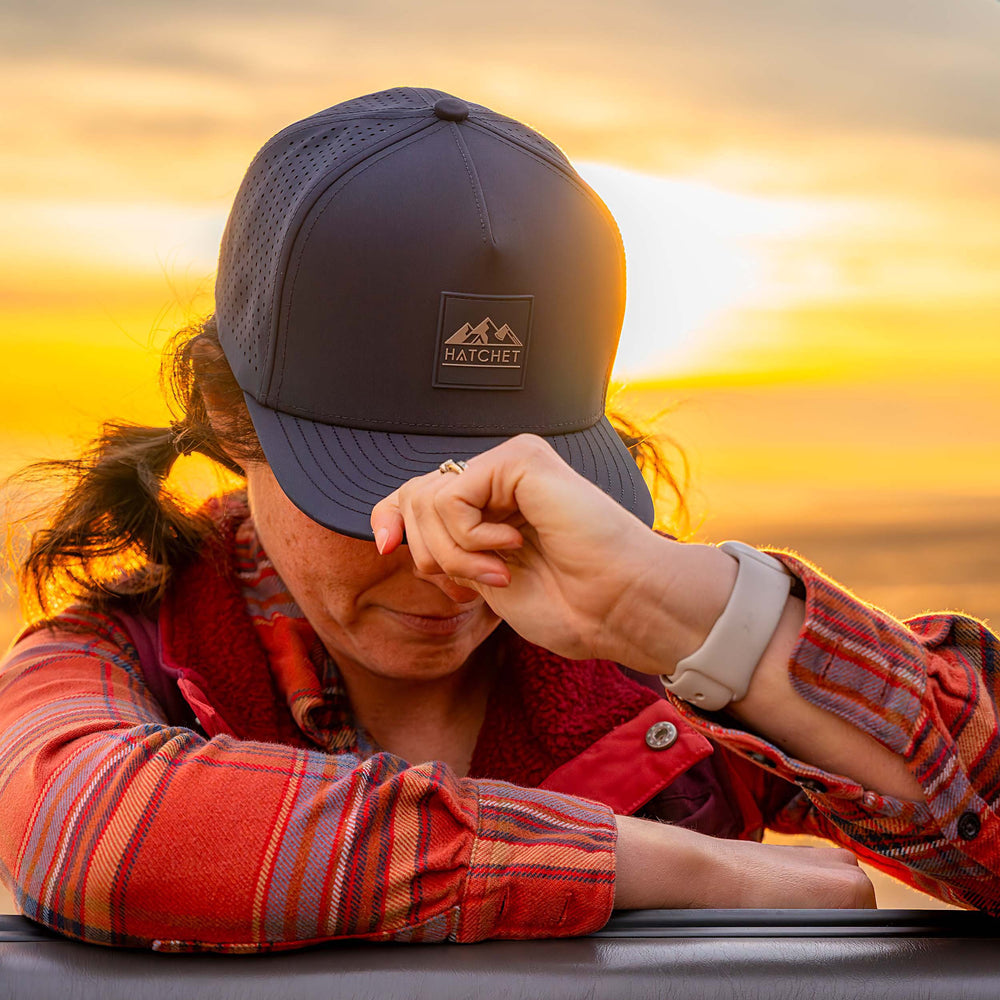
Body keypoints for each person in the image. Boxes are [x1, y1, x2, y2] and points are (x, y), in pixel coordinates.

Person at [0, 87, 997, 952]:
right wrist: (679, 872)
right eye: (373, 498)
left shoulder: (661, 669)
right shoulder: (127, 654)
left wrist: (691, 611)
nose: (451, 564)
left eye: (510, 496)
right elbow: (93, 826)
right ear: (228, 415)